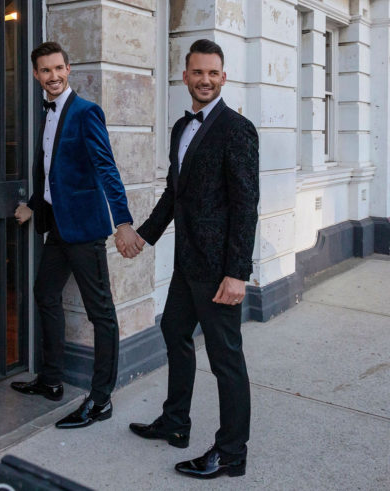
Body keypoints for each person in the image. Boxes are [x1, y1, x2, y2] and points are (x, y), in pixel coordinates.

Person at [127, 39, 259, 480]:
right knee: (174, 329)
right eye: (197, 72)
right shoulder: (180, 129)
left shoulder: (237, 129)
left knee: (226, 360)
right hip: (188, 262)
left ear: (224, 77)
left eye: (213, 73)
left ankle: (231, 451)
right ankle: (176, 423)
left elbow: (245, 206)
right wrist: (145, 237)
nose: (205, 80)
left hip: (219, 268)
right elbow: (174, 194)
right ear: (184, 76)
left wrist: (238, 272)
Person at [11, 41, 139, 429]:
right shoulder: (46, 113)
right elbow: (49, 170)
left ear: (69, 69)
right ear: (37, 75)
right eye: (45, 71)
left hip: (84, 230)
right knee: (45, 293)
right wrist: (34, 203)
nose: (52, 76)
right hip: (58, 227)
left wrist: (123, 222)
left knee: (102, 313)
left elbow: (107, 169)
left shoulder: (86, 113)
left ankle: (101, 399)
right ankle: (51, 380)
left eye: (58, 69)